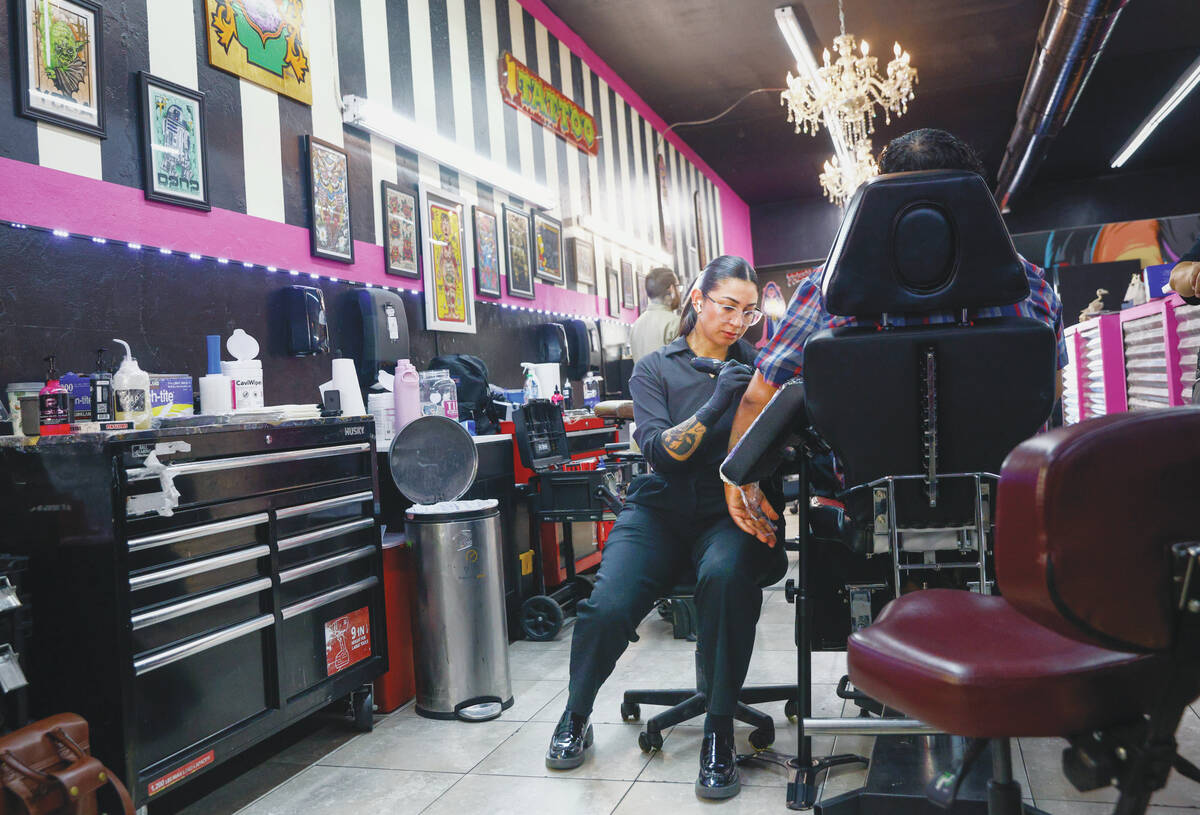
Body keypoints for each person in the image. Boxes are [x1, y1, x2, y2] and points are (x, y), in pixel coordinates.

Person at [724, 128, 1069, 544]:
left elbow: (760, 395)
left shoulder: (828, 290)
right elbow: (1047, 395)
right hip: (1002, 499)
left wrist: (738, 479)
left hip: (872, 504)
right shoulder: (1031, 284)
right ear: (973, 199)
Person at [545, 255, 785, 799]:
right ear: (698, 299)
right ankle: (575, 715)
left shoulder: (762, 365)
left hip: (726, 514)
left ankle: (719, 734)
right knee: (606, 604)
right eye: (727, 306)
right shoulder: (655, 368)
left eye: (748, 312)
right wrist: (718, 400)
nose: (737, 321)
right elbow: (660, 453)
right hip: (658, 509)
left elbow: (778, 448)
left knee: (726, 580)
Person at [629, 267, 682, 361]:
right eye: (678, 287)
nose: (680, 292)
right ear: (671, 289)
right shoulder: (675, 323)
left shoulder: (637, 325)